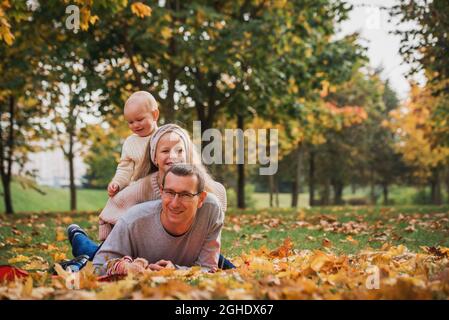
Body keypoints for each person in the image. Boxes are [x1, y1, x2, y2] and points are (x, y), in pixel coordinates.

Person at [67, 124, 235, 269]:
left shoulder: (200, 186)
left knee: (213, 258)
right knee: (93, 254)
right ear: (154, 157)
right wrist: (113, 235)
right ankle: (78, 238)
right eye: (165, 151)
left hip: (183, 243)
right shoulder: (142, 187)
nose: (173, 156)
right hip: (140, 245)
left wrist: (212, 219)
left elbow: (215, 206)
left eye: (179, 150)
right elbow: (112, 209)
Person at [92, 164, 223, 275]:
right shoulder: (132, 220)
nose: (175, 203)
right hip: (128, 255)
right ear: (161, 192)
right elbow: (98, 267)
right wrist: (127, 268)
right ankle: (83, 242)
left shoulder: (211, 209)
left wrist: (175, 271)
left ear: (201, 199)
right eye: (170, 192)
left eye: (185, 195)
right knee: (89, 253)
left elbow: (208, 269)